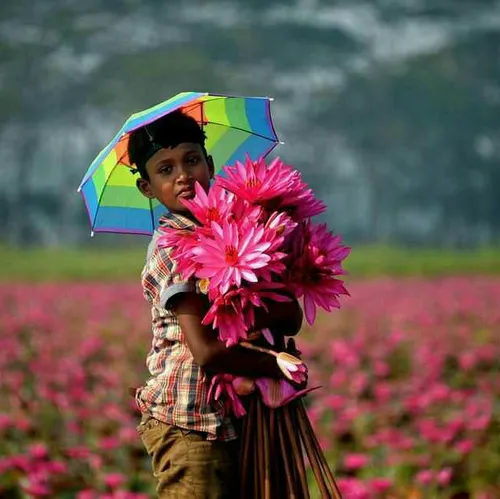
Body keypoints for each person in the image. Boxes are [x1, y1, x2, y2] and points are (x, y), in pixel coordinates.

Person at [129, 110, 304, 499]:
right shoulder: (171, 248)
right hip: (187, 421)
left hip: (235, 416)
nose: (183, 176)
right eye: (165, 169)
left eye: (192, 160)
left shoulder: (239, 231)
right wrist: (273, 364)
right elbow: (207, 352)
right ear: (147, 188)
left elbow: (291, 316)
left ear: (209, 164)